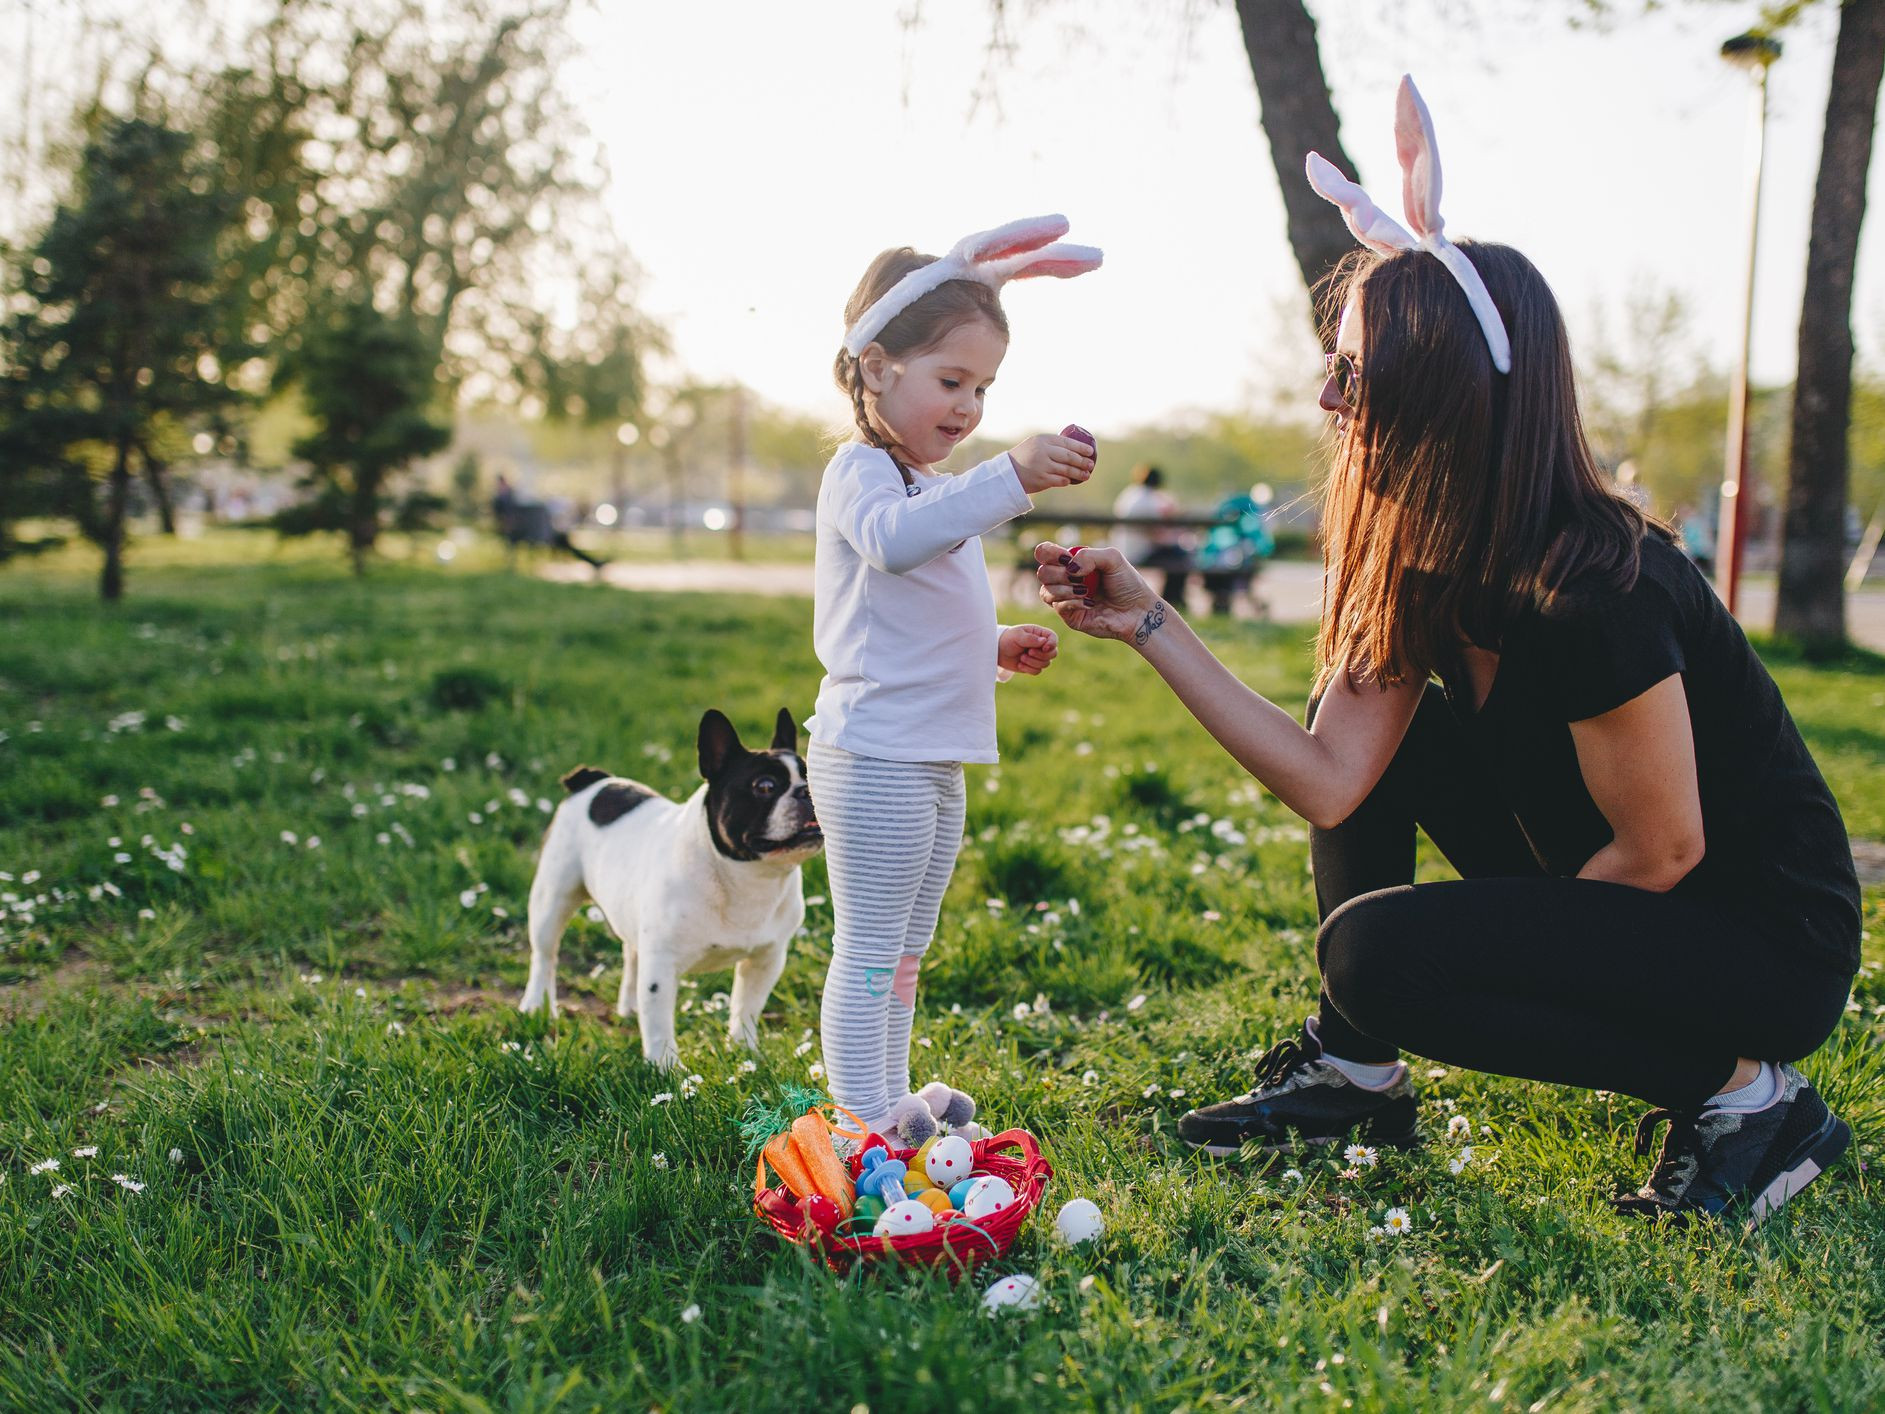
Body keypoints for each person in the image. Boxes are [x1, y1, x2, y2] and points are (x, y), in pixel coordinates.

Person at [1035, 79, 1858, 1228]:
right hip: (1629, 884)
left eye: (1353, 372)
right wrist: (1148, 627)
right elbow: (1330, 778)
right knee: (1372, 896)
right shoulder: (1418, 567)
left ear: (1438, 398)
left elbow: (1663, 848)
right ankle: (1355, 1076)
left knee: (1379, 957)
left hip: (1757, 935)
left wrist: (1506, 954)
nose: (1326, 397)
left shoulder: (1590, 586)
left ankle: (1749, 1100)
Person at [809, 216, 1102, 1145]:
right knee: (868, 948)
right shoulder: (862, 473)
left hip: (931, 757)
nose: (969, 406)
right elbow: (895, 549)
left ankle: (887, 1093)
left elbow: (917, 616)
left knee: (904, 948)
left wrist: (993, 644)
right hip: (875, 756)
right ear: (874, 366)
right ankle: (861, 1121)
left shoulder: (921, 484)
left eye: (982, 387)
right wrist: (1009, 476)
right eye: (950, 381)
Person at [1113, 463, 1191, 604]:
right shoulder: (1149, 500)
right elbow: (1156, 532)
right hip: (1140, 551)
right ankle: (1173, 599)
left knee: (1174, 554)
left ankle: (1171, 598)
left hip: (1123, 547)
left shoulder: (1130, 493)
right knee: (1180, 557)